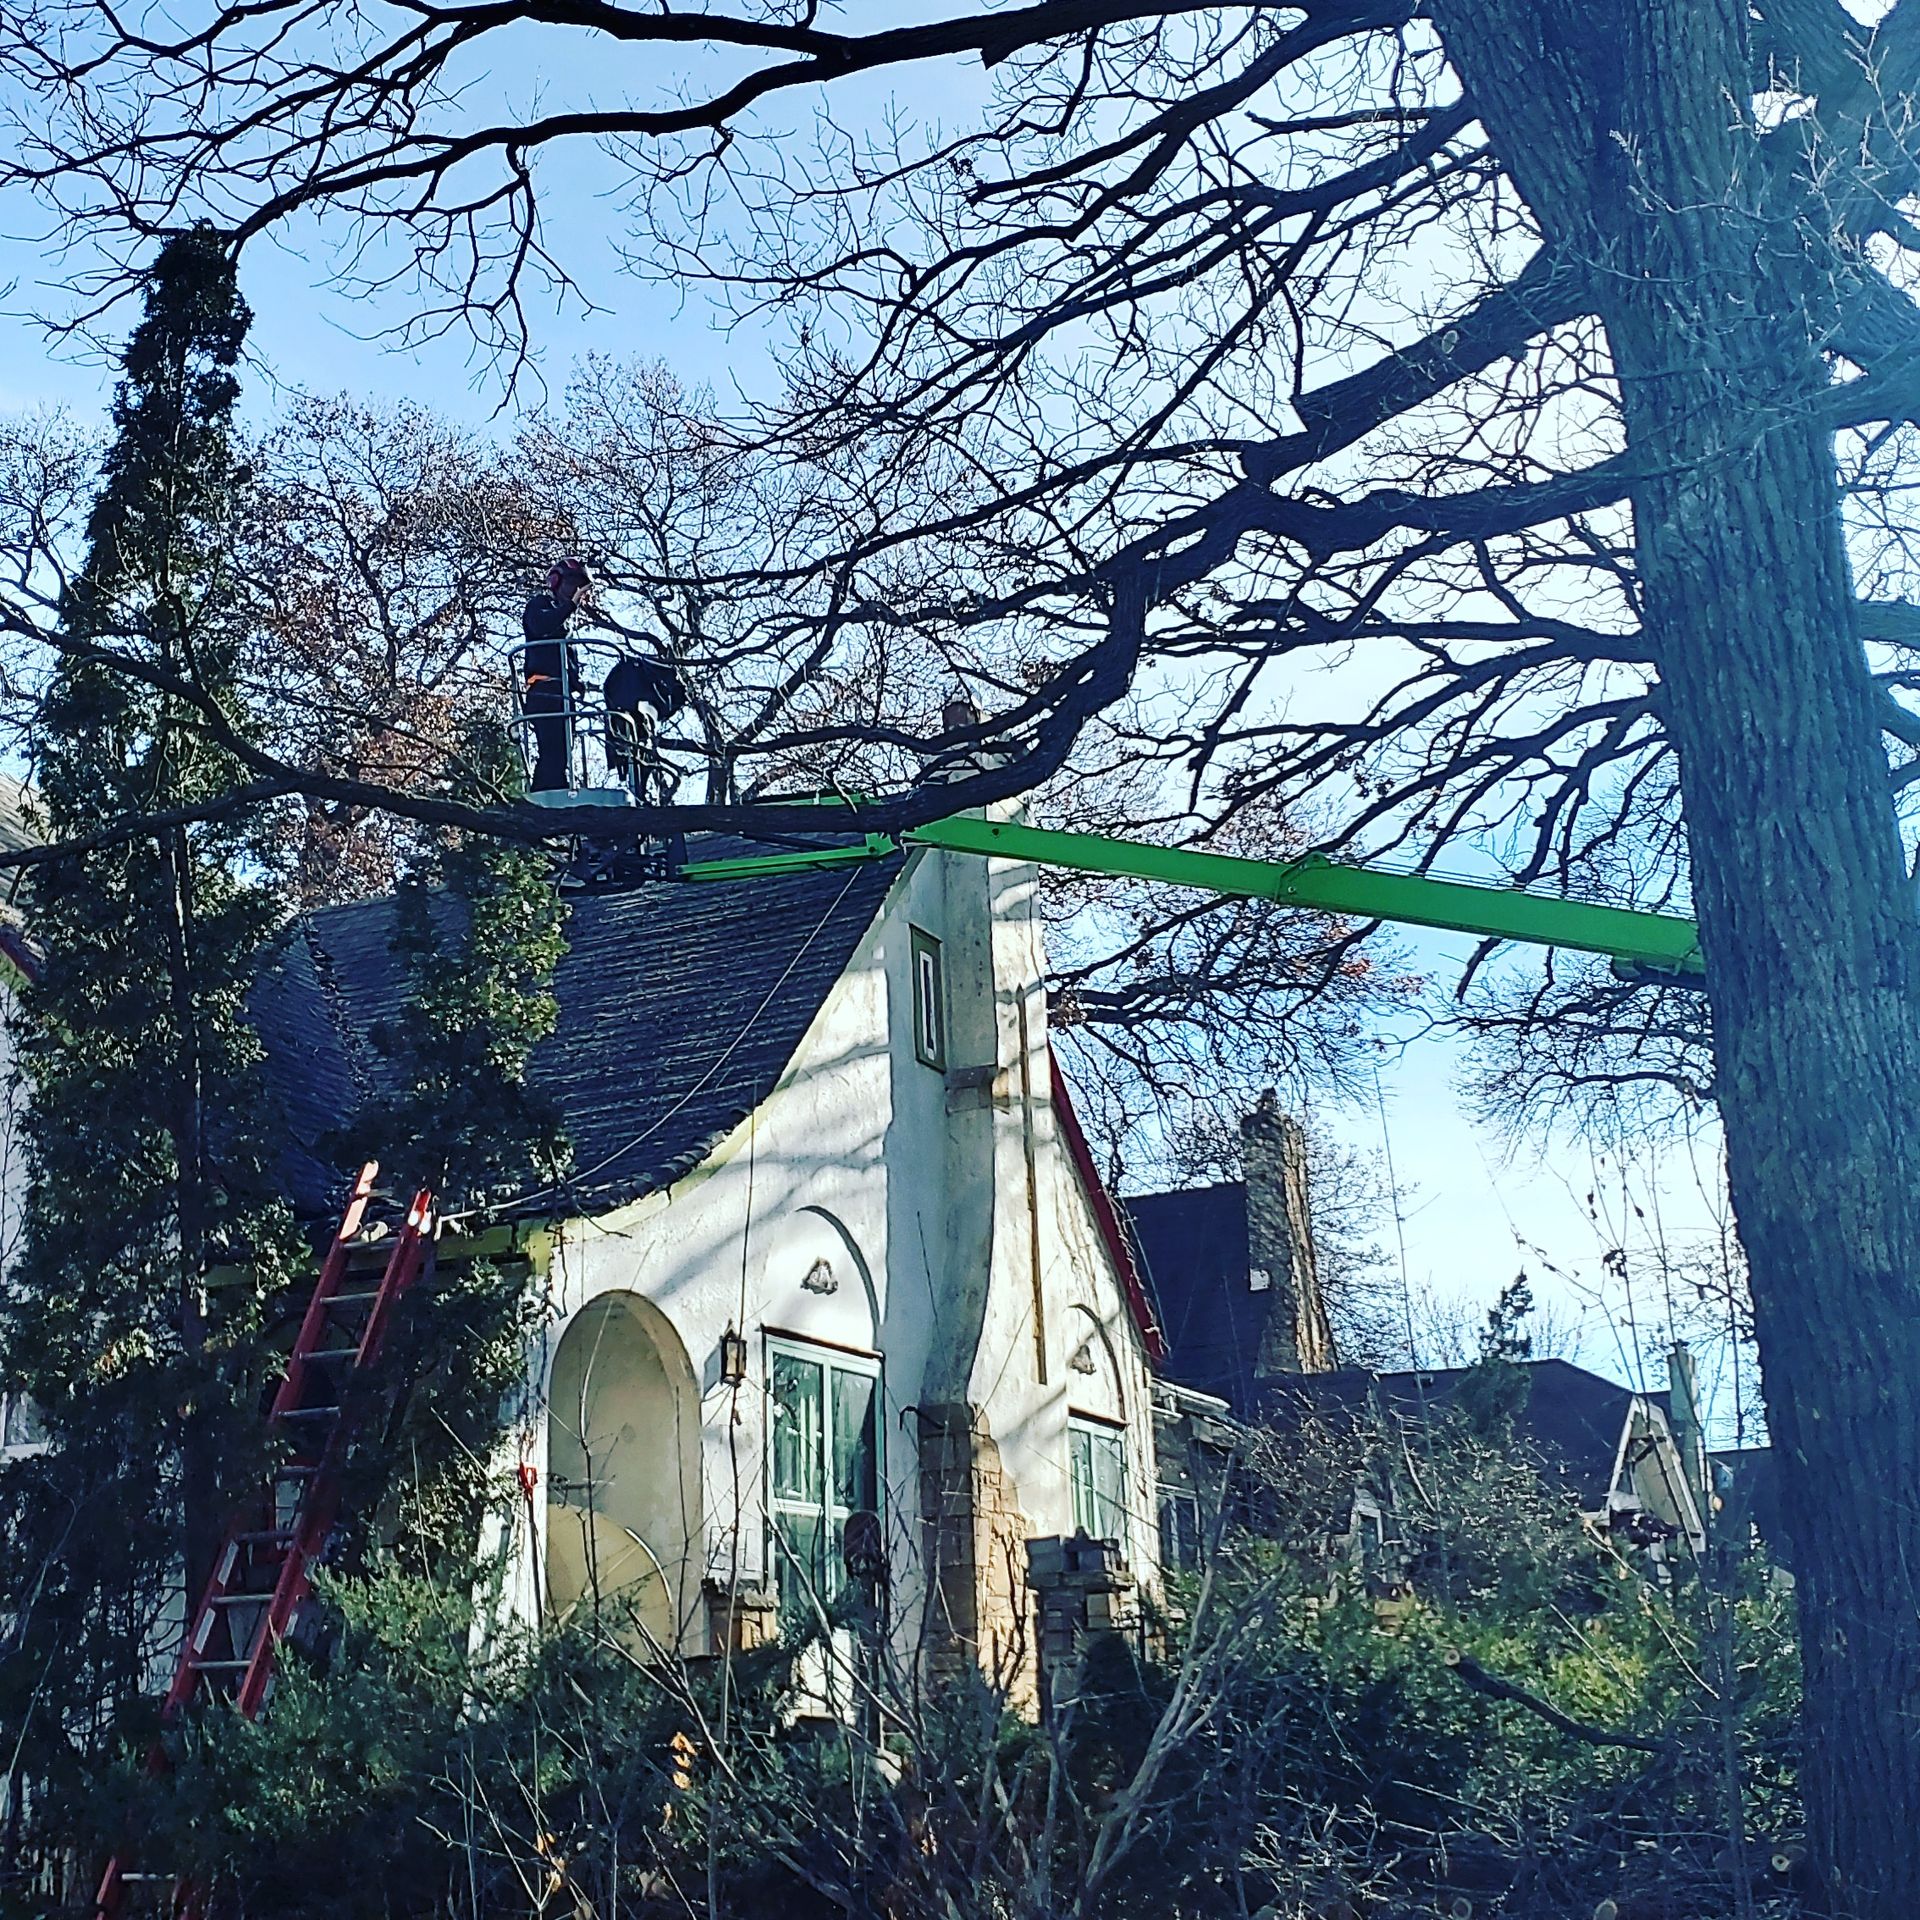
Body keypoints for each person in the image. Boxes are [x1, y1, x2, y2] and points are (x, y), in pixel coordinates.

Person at [521, 557, 588, 792]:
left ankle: (557, 790)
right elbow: (541, 626)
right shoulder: (539, 605)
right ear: (556, 581)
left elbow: (565, 658)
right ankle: (544, 795)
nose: (575, 591)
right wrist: (569, 607)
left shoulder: (564, 622)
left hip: (562, 693)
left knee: (562, 753)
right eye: (572, 584)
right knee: (551, 752)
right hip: (544, 691)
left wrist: (576, 682)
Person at [602, 647, 688, 794]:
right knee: (642, 752)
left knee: (637, 751)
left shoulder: (625, 672)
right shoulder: (658, 673)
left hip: (625, 719)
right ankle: (639, 788)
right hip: (638, 719)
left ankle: (637, 787)